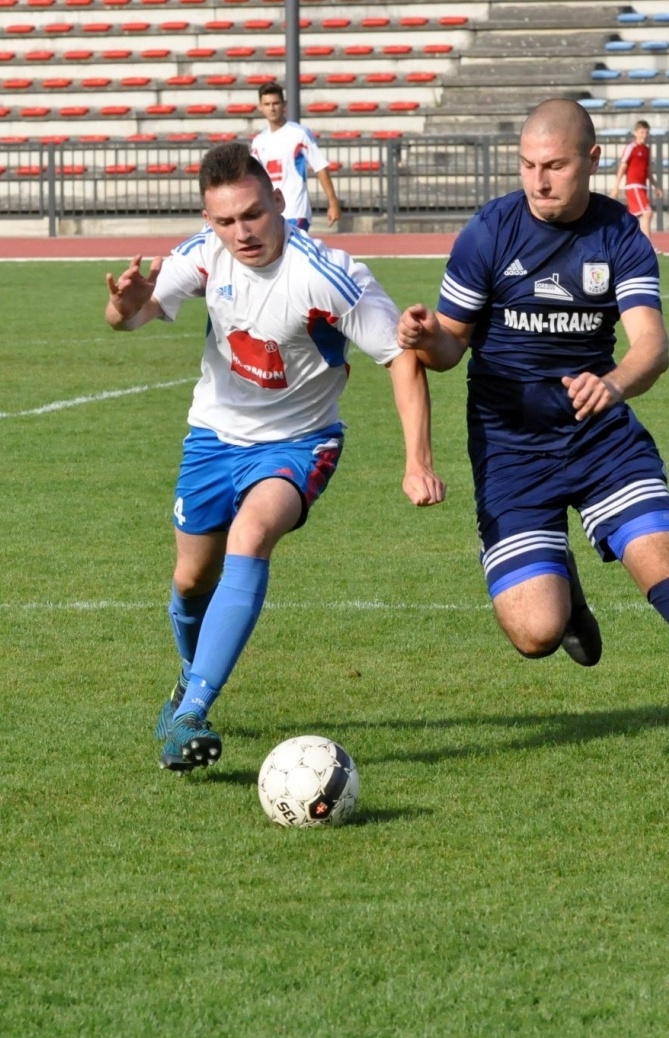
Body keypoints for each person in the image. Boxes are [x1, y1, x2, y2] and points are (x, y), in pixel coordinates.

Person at [397, 98, 669, 778]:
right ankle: (566, 589)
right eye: (527, 166)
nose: (538, 180)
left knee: (668, 570)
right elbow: (450, 350)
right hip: (510, 449)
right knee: (535, 633)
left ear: (592, 161)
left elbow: (652, 348)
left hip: (601, 440)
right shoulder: (490, 231)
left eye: (554, 166)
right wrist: (424, 335)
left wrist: (614, 383)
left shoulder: (621, 236)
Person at [105, 141, 443, 773]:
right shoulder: (204, 254)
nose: (242, 232)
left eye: (253, 215)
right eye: (226, 222)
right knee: (188, 582)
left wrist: (417, 461)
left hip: (299, 442)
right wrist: (124, 308)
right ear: (210, 222)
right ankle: (191, 676)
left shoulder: (330, 274)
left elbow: (401, 357)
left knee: (253, 534)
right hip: (212, 436)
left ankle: (190, 713)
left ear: (279, 201)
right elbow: (137, 312)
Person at [250, 82, 342, 231]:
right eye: (267, 104)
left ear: (284, 105)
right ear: (260, 107)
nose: (272, 108)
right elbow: (254, 176)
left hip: (296, 210)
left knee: (291, 251)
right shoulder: (258, 142)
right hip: (272, 211)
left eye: (276, 103)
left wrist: (333, 203)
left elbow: (320, 167)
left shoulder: (299, 134)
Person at [612, 120, 662, 240]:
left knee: (632, 219)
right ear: (635, 133)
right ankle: (648, 246)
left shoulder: (647, 150)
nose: (644, 135)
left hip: (642, 186)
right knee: (647, 213)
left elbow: (647, 171)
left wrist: (656, 186)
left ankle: (621, 240)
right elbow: (623, 166)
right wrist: (616, 186)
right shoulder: (631, 147)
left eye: (646, 132)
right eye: (641, 132)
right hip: (633, 186)